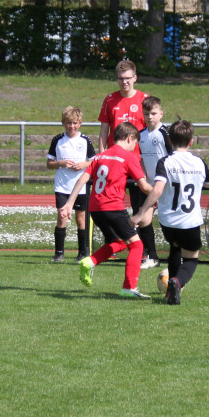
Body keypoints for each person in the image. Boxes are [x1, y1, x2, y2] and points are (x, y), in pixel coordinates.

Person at [59, 123, 153, 299]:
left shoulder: (99, 157)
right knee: (137, 245)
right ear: (130, 138)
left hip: (95, 208)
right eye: (135, 144)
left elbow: (83, 179)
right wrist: (159, 193)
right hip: (114, 207)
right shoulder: (128, 157)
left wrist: (70, 203)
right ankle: (128, 288)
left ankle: (90, 261)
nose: (135, 148)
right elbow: (144, 186)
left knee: (119, 243)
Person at [131, 119, 209, 305]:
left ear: (169, 140)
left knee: (175, 248)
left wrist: (140, 213)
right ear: (191, 141)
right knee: (192, 259)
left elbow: (157, 189)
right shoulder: (198, 162)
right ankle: (177, 282)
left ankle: (170, 292)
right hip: (190, 221)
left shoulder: (165, 162)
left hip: (168, 221)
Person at [97, 59, 152, 261]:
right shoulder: (110, 99)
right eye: (121, 79)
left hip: (136, 163)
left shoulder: (144, 99)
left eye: (128, 78)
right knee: (110, 205)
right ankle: (111, 247)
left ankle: (145, 252)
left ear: (135, 78)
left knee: (140, 208)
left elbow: (149, 131)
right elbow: (104, 131)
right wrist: (102, 156)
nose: (124, 82)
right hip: (113, 164)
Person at [46, 106, 95, 263]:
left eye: (74, 123)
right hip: (62, 186)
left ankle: (82, 253)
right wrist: (60, 163)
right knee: (62, 217)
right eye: (68, 123)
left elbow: (94, 162)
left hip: (80, 187)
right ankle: (59, 253)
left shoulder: (85, 140)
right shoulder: (58, 140)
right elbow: (49, 163)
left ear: (80, 123)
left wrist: (83, 165)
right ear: (63, 123)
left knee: (81, 220)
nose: (71, 126)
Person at [136, 96, 174, 269]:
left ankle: (177, 256)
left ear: (161, 113)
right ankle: (152, 256)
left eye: (153, 113)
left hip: (168, 185)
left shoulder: (165, 133)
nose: (150, 117)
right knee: (144, 220)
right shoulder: (141, 135)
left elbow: (173, 157)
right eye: (147, 114)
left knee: (171, 221)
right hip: (151, 186)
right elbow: (142, 159)